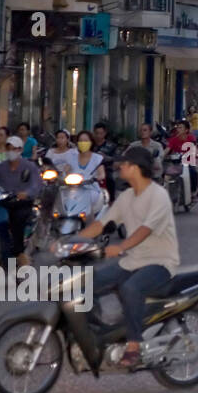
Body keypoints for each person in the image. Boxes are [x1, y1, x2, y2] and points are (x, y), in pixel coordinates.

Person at [77, 146, 179, 369]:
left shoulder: (158, 196)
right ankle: (99, 335)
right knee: (86, 282)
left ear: (135, 168)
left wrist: (121, 246)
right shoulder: (126, 196)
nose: (120, 167)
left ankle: (134, 346)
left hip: (160, 262)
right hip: (133, 261)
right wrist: (73, 242)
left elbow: (145, 230)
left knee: (131, 288)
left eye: (124, 164)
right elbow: (102, 224)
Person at [0, 136, 44, 266]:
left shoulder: (29, 166)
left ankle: (20, 254)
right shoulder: (0, 167)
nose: (11, 151)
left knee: (17, 221)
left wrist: (26, 193)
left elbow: (36, 184)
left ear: (20, 150)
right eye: (8, 148)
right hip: (3, 201)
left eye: (14, 149)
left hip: (21, 203)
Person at [166, 120, 198, 201]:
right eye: (178, 127)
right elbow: (167, 150)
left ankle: (193, 191)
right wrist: (161, 157)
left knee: (193, 172)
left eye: (181, 128)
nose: (178, 129)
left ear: (186, 130)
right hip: (176, 163)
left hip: (188, 162)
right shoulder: (173, 139)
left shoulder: (191, 138)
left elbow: (195, 149)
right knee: (166, 174)